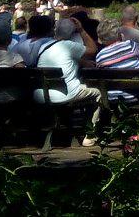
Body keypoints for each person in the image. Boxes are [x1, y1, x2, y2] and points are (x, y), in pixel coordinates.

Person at [33, 18, 106, 147]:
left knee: (78, 88)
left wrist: (81, 62)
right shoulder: (69, 46)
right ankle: (90, 135)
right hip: (65, 94)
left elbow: (67, 60)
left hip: (41, 94)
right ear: (72, 35)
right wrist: (82, 30)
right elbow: (93, 49)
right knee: (97, 93)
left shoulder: (44, 46)